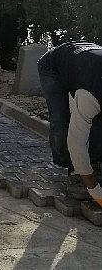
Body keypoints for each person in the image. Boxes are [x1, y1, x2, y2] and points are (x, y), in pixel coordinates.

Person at [37, 42, 102, 207]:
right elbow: (76, 142)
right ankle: (75, 172)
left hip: (83, 62)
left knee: (96, 124)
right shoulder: (90, 95)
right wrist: (96, 191)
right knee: (62, 120)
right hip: (53, 67)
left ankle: (92, 164)